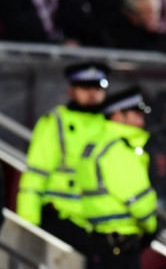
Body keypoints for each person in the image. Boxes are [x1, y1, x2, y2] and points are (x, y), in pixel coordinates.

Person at [76, 86, 157, 269]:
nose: (141, 120)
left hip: (98, 244)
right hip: (120, 249)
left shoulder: (94, 143)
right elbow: (139, 200)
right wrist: (151, 226)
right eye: (135, 113)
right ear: (118, 115)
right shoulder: (117, 147)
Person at [16, 61, 109, 254]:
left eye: (98, 87)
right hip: (61, 222)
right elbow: (35, 175)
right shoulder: (55, 122)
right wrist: (28, 225)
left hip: (101, 225)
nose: (92, 93)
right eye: (85, 87)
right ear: (71, 90)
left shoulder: (110, 126)